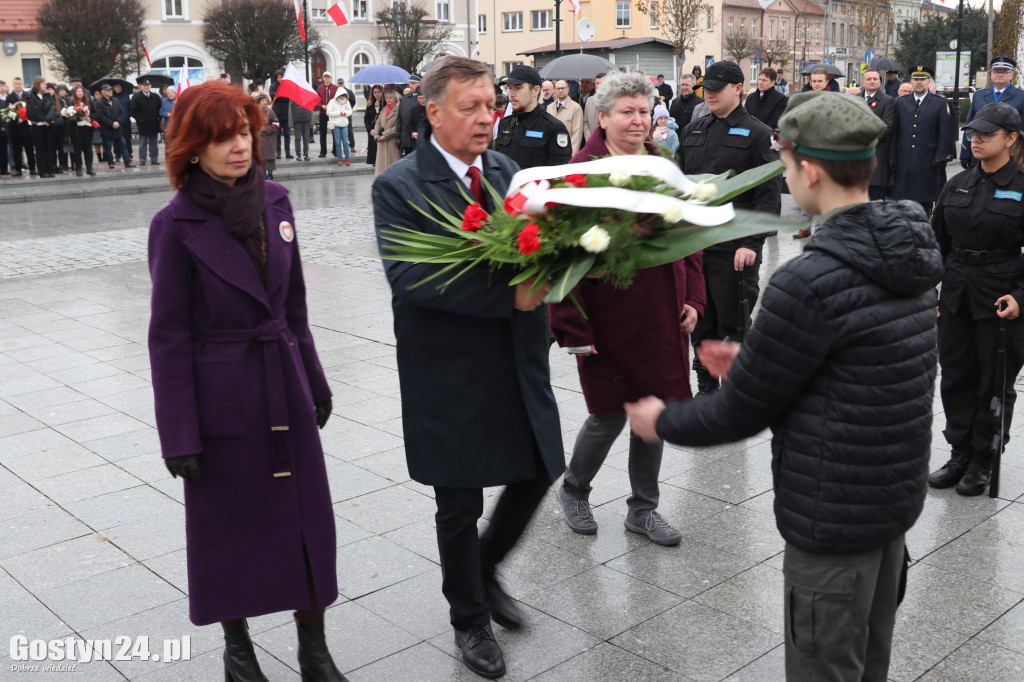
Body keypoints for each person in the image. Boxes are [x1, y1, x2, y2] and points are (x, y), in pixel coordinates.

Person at [628, 90, 942, 682]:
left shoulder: (810, 278)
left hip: (831, 524)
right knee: (867, 663)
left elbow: (740, 413)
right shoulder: (908, 255)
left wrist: (661, 419)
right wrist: (755, 357)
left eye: (785, 161)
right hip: (887, 514)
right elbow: (856, 368)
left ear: (810, 170)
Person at [372, 56, 564, 680]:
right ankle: (470, 619)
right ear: (432, 112)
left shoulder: (507, 170)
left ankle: (483, 566)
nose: (487, 118)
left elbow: (534, 244)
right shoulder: (400, 185)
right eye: (471, 108)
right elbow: (411, 278)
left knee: (539, 468)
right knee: (459, 501)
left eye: (492, 105)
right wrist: (507, 295)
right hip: (449, 367)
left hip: (515, 356)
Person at [149, 82, 346, 682]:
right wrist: (178, 433)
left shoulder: (277, 201)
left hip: (282, 378)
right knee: (229, 529)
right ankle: (239, 651)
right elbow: (169, 336)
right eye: (221, 137)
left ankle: (314, 649)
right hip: (221, 398)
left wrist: (314, 379)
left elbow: (294, 308)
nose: (239, 147)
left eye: (244, 132)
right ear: (191, 148)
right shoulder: (175, 224)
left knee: (305, 519)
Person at [549, 71, 703, 547]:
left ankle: (643, 509)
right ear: (603, 116)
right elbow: (556, 259)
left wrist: (694, 299)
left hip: (662, 315)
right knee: (609, 415)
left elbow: (692, 238)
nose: (638, 121)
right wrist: (571, 328)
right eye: (626, 112)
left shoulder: (664, 165)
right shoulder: (581, 171)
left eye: (643, 111)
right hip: (606, 318)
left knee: (651, 412)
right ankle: (574, 488)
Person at [929, 102, 1024, 496]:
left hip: (1001, 298)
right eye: (973, 133)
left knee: (993, 381)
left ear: (1011, 139)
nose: (977, 139)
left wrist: (1021, 297)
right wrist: (929, 290)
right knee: (955, 376)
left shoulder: (1021, 186)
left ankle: (985, 455)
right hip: (955, 295)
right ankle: (960, 451)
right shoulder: (958, 183)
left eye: (987, 133)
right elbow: (936, 243)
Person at [678, 60, 782, 396]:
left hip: (734, 247)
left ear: (739, 88)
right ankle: (707, 386)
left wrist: (751, 244)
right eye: (705, 88)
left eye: (717, 88)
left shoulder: (759, 134)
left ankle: (737, 390)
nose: (708, 94)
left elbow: (768, 198)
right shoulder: (693, 129)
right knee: (700, 320)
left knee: (733, 322)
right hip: (694, 245)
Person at [889, 65, 951, 215]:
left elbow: (945, 132)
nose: (919, 82)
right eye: (916, 79)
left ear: (928, 81)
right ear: (911, 81)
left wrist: (940, 157)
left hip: (927, 160)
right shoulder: (901, 103)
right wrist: (892, 156)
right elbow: (894, 132)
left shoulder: (940, 103)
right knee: (902, 202)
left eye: (922, 79)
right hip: (904, 159)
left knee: (924, 202)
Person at [494, 65, 571, 169]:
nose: (511, 94)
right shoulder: (505, 124)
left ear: (535, 90)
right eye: (510, 88)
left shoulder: (553, 128)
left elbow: (558, 175)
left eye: (518, 88)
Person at [960, 57, 1024, 168]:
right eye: (996, 72)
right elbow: (969, 124)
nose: (999, 75)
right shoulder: (979, 95)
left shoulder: (1021, 96)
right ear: (991, 74)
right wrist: (965, 153)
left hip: (1009, 155)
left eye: (1004, 72)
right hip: (981, 154)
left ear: (1011, 75)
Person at [858, 69, 895, 200]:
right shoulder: (855, 99)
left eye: (875, 79)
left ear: (880, 82)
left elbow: (887, 125)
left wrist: (867, 141)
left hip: (876, 154)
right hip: (856, 156)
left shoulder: (887, 101)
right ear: (863, 82)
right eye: (869, 79)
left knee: (874, 199)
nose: (872, 81)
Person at [25, 76, 57, 178]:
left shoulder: (48, 95)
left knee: (49, 148)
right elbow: (33, 110)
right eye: (43, 84)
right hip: (37, 126)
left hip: (48, 126)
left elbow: (52, 107)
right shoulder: (30, 95)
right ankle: (42, 171)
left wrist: (47, 120)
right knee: (40, 149)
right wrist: (43, 120)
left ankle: (50, 169)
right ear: (38, 84)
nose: (45, 85)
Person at [94, 84, 131, 169]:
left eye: (111, 90)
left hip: (117, 127)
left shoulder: (116, 100)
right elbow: (100, 117)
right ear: (103, 92)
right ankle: (111, 162)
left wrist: (118, 121)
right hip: (106, 128)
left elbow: (122, 112)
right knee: (107, 146)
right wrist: (111, 123)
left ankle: (127, 161)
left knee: (123, 144)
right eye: (108, 90)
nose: (110, 91)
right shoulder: (99, 103)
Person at [7, 77, 36, 177]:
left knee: (29, 150)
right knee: (17, 150)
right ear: (13, 85)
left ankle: (32, 168)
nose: (18, 85)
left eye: (19, 83)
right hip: (15, 128)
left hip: (27, 128)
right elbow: (7, 112)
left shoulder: (27, 95)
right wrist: (15, 113)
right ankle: (18, 169)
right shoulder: (9, 97)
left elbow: (32, 109)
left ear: (22, 84)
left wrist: (25, 114)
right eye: (16, 83)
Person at [130, 79, 163, 165]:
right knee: (142, 143)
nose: (146, 87)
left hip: (153, 123)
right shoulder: (136, 97)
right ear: (142, 87)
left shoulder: (155, 97)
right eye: (145, 85)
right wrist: (139, 119)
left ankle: (154, 159)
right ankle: (142, 160)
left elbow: (160, 109)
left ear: (150, 86)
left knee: (154, 143)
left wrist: (158, 118)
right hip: (142, 124)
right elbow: (133, 111)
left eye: (148, 85)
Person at [547, 80, 584, 155]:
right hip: (550, 152)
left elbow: (577, 134)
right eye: (558, 88)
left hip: (566, 151)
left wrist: (572, 156)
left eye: (563, 88)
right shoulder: (549, 107)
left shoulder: (576, 108)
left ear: (568, 90)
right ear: (554, 90)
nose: (560, 91)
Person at [372, 85, 401, 176]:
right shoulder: (384, 109)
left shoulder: (398, 110)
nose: (388, 100)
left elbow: (397, 127)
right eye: (387, 98)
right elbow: (377, 123)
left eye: (391, 98)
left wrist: (385, 134)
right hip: (381, 143)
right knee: (381, 167)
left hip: (391, 142)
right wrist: (376, 135)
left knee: (393, 168)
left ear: (395, 99)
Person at [69, 84, 96, 176]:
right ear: (75, 93)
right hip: (76, 129)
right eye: (78, 91)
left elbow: (96, 113)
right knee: (77, 149)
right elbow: (69, 116)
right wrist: (78, 118)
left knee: (88, 149)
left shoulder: (89, 102)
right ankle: (78, 168)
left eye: (81, 91)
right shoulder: (71, 102)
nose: (80, 93)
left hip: (87, 129)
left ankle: (89, 168)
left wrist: (90, 118)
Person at [396, 74, 426, 156]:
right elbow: (399, 119)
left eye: (413, 83)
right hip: (406, 140)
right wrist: (398, 136)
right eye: (409, 83)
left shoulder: (426, 99)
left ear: (421, 83)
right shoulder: (405, 98)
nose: (410, 85)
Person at [269, 69, 293, 160]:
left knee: (287, 134)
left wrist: (279, 95)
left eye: (281, 77)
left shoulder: (287, 86)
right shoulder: (272, 86)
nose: (279, 79)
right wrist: (279, 95)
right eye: (278, 77)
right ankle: (278, 153)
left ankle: (288, 152)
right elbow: (273, 96)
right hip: (277, 116)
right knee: (277, 135)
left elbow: (288, 97)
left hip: (286, 114)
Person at [315, 72, 338, 159]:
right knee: (323, 133)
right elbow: (317, 99)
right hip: (323, 113)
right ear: (323, 78)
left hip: (332, 114)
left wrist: (330, 106)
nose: (327, 79)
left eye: (328, 77)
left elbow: (337, 99)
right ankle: (323, 151)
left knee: (334, 132)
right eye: (325, 77)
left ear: (331, 78)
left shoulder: (335, 88)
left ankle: (335, 150)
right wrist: (322, 106)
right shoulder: (320, 88)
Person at [255, 93, 278, 179]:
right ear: (258, 103)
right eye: (262, 101)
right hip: (259, 140)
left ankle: (270, 174)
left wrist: (267, 128)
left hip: (269, 140)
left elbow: (276, 124)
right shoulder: (255, 112)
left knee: (269, 159)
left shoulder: (270, 112)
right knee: (261, 159)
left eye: (265, 100)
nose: (265, 102)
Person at [326, 89, 352, 166]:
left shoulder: (347, 102)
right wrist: (339, 113)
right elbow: (328, 112)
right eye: (341, 95)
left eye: (344, 96)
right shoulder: (332, 102)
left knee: (346, 142)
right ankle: (340, 158)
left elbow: (350, 111)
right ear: (338, 95)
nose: (343, 97)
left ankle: (347, 158)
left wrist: (345, 113)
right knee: (337, 143)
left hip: (344, 124)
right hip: (336, 124)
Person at [111, 82, 134, 166]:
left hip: (126, 121)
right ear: (113, 88)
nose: (118, 89)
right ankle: (117, 154)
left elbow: (130, 107)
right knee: (116, 140)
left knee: (127, 139)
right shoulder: (111, 97)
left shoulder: (126, 96)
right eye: (117, 87)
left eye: (120, 87)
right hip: (116, 122)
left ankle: (129, 153)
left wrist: (129, 115)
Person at [364, 84, 383, 166]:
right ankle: (374, 162)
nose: (377, 94)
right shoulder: (370, 104)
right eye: (375, 92)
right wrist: (369, 129)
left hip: (381, 131)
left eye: (379, 92)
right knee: (373, 149)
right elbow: (366, 118)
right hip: (372, 131)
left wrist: (378, 108)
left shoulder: (384, 103)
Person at [336, 77, 357, 153]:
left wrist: (348, 109)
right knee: (337, 131)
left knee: (349, 130)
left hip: (347, 114)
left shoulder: (349, 92)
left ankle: (352, 146)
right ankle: (336, 148)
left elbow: (353, 101)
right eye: (339, 83)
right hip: (338, 114)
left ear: (343, 83)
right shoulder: (336, 92)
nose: (340, 84)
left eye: (341, 83)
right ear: (337, 84)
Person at [582, 72, 605, 141]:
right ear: (595, 85)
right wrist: (590, 139)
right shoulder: (589, 100)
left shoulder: (613, 100)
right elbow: (585, 122)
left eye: (602, 83)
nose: (600, 86)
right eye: (598, 83)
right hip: (591, 140)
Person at [290, 94, 312, 162]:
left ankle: (306, 154)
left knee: (306, 138)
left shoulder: (307, 96)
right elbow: (290, 110)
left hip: (306, 120)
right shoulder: (293, 96)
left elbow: (310, 108)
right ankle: (298, 154)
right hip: (297, 120)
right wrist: (291, 123)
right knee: (298, 138)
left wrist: (311, 122)